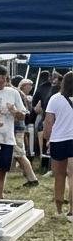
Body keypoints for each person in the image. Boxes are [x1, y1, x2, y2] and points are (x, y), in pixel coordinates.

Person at [0, 65, 27, 199]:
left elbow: (23, 115)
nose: (1, 81)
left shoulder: (13, 93)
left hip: (7, 136)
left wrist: (14, 111)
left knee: (2, 169)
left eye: (3, 78)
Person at [42, 72, 73, 219]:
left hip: (58, 140)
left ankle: (59, 210)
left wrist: (48, 139)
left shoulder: (55, 99)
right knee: (72, 176)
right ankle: (72, 212)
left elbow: (48, 122)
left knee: (59, 176)